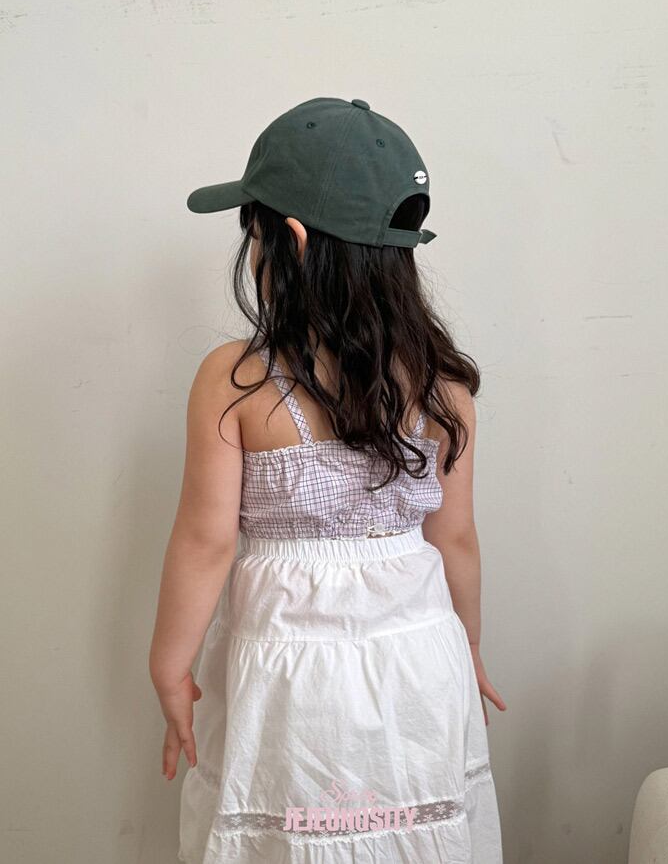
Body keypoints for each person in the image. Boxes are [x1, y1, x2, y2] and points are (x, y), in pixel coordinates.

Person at [149, 96, 506, 863]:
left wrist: (169, 665)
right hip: (419, 662)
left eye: (255, 236)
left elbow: (206, 542)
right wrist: (468, 646)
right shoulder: (445, 389)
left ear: (294, 241)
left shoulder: (236, 381)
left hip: (289, 682)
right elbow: (456, 539)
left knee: (290, 833)